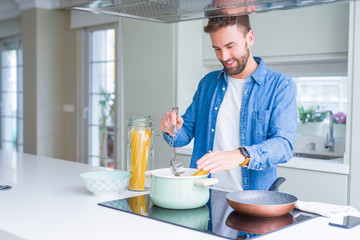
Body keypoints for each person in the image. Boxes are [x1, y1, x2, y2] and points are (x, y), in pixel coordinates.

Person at [160, 15, 297, 191]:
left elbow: (284, 145)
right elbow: (183, 134)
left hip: (253, 201)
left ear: (250, 38)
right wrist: (172, 128)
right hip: (203, 195)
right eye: (217, 49)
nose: (224, 56)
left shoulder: (280, 85)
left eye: (230, 46)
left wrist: (240, 155)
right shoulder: (208, 83)